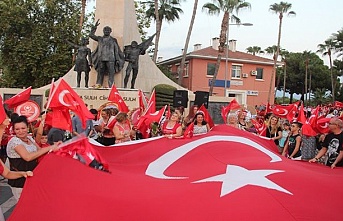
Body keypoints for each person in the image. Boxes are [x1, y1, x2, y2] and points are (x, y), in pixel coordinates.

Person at [6, 116, 59, 201]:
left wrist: (57, 147)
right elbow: (27, 157)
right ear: (14, 130)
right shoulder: (14, 141)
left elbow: (40, 151)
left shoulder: (29, 138)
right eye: (17, 129)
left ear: (27, 127)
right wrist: (50, 147)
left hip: (32, 178)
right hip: (20, 181)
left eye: (23, 128)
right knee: (24, 208)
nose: (20, 131)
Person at [90, 19, 125, 88]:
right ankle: (98, 85)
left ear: (110, 32)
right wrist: (94, 27)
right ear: (103, 31)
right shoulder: (100, 39)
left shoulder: (113, 40)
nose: (106, 32)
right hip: (101, 58)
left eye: (108, 31)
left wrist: (117, 59)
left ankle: (111, 86)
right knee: (100, 73)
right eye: (105, 30)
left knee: (111, 73)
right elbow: (91, 35)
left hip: (111, 59)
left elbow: (116, 50)